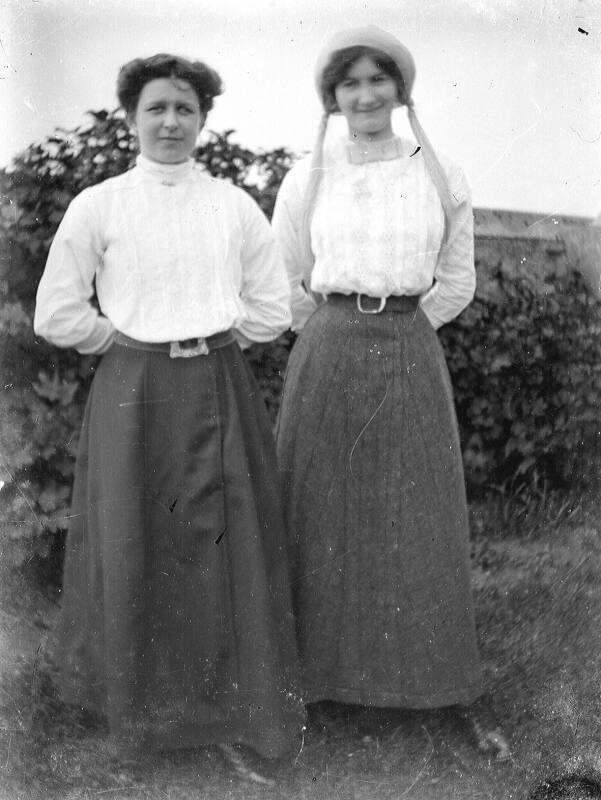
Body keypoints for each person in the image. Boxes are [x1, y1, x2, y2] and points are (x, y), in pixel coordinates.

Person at [34, 53, 303, 784]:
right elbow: (57, 310)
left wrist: (213, 340)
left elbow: (273, 305)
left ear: (203, 120)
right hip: (133, 390)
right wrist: (116, 340)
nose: (171, 122)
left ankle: (232, 713)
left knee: (224, 548)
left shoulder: (233, 204)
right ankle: (139, 718)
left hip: (218, 385)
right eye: (156, 108)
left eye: (185, 108)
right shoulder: (100, 205)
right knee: (137, 542)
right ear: (131, 118)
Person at [272, 26, 509, 759]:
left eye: (380, 80)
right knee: (316, 512)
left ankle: (435, 687)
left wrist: (402, 327)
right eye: (351, 84)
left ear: (400, 90)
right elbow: (285, 279)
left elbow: (458, 278)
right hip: (329, 348)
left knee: (415, 517)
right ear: (333, 97)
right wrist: (339, 330)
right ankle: (310, 687)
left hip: (410, 347)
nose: (367, 95)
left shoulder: (440, 173)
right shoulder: (306, 176)